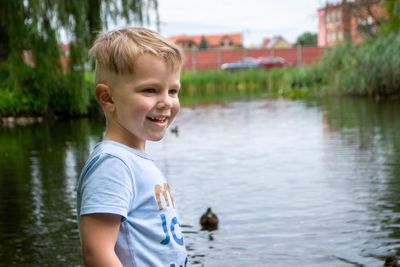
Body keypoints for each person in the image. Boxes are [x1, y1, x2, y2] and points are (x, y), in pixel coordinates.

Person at [76, 27, 187, 267]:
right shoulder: (113, 164)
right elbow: (97, 252)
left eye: (173, 91)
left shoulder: (132, 160)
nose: (166, 102)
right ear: (108, 98)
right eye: (150, 90)